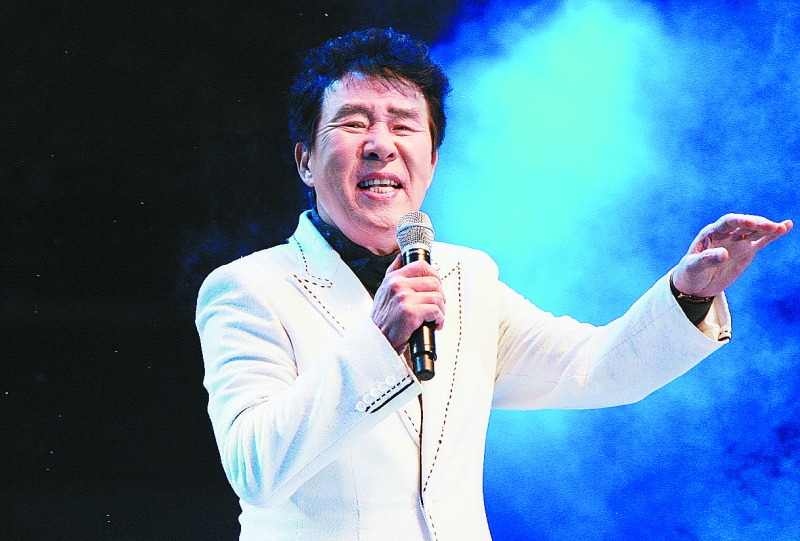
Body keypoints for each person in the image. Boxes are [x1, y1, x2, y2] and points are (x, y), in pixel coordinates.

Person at [195, 28, 792, 541]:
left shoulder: (467, 277)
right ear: (305, 160)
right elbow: (256, 470)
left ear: (431, 161)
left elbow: (593, 368)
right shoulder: (248, 289)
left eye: (404, 125)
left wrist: (688, 293)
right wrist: (379, 342)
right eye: (354, 123)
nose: (381, 145)